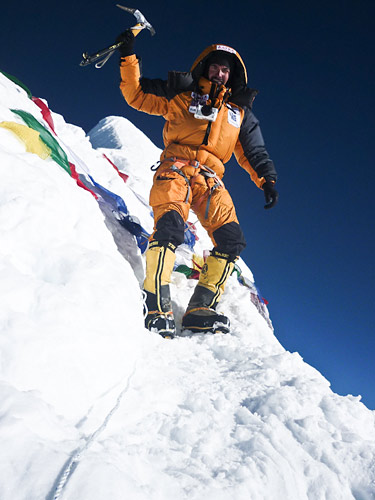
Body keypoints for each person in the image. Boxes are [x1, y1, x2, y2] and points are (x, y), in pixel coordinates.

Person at [116, 30, 278, 338]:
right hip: (175, 170)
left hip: (211, 181)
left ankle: (200, 309)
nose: (220, 72)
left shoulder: (239, 114)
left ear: (233, 76)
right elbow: (136, 94)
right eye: (215, 66)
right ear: (204, 68)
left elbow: (253, 151)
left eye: (226, 69)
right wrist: (128, 56)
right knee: (170, 228)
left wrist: (266, 179)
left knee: (231, 241)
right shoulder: (181, 94)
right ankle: (156, 304)